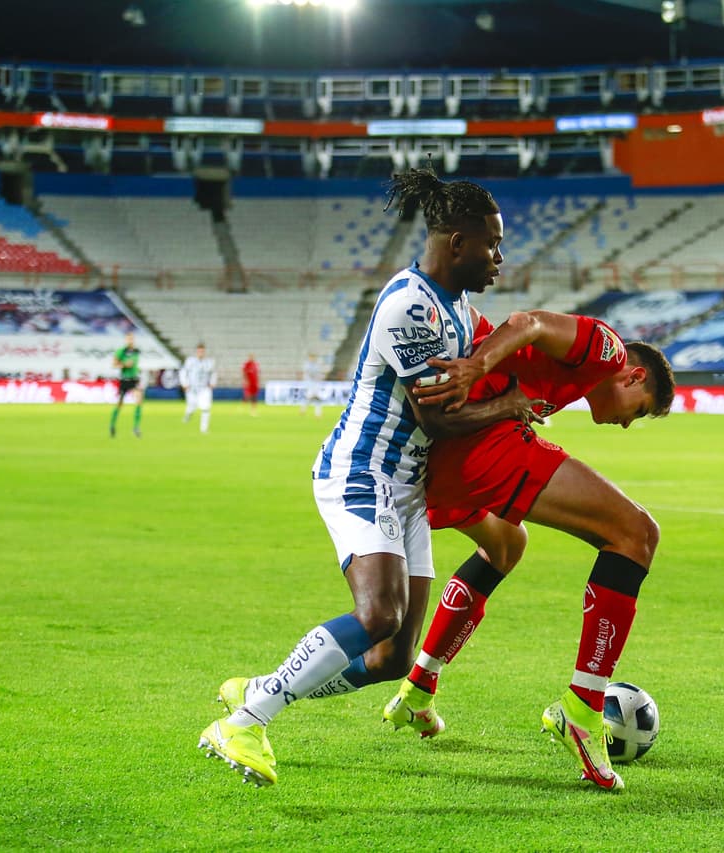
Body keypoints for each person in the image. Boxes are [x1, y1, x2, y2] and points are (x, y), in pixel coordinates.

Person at [198, 167, 538, 787]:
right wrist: (508, 407)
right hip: (364, 469)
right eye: (492, 242)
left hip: (407, 487)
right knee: (378, 613)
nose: (500, 256)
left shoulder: (457, 306)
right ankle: (248, 718)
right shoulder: (411, 303)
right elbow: (435, 419)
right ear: (456, 241)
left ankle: (258, 687)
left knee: (390, 658)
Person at [380, 309, 675, 791]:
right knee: (637, 533)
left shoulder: (569, 382)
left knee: (506, 545)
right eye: (638, 410)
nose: (626, 424)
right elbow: (531, 321)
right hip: (481, 442)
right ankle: (583, 707)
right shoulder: (609, 349)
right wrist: (478, 365)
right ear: (633, 375)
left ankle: (418, 687)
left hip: (447, 453)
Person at [110, 331, 143, 438]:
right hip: (124, 380)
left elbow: (135, 364)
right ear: (126, 340)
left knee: (139, 401)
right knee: (120, 404)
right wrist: (124, 364)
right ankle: (112, 425)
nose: (130, 341)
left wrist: (137, 370)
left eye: (132, 339)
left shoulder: (136, 351)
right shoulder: (121, 351)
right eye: (129, 339)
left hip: (134, 380)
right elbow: (114, 365)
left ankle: (136, 428)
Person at [179, 343, 216, 433]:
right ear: (196, 352)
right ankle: (188, 415)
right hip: (192, 388)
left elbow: (213, 373)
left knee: (205, 407)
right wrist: (184, 384)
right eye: (199, 351)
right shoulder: (190, 361)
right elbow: (183, 372)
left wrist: (212, 383)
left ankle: (204, 429)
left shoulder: (209, 362)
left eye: (202, 351)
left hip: (204, 389)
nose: (201, 353)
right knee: (192, 406)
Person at [300, 352, 326, 418]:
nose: (312, 358)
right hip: (309, 383)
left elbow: (320, 373)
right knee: (310, 397)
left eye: (313, 357)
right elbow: (308, 373)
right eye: (311, 357)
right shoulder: (307, 365)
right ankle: (303, 409)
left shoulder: (317, 365)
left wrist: (319, 377)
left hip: (316, 383)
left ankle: (317, 413)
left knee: (316, 398)